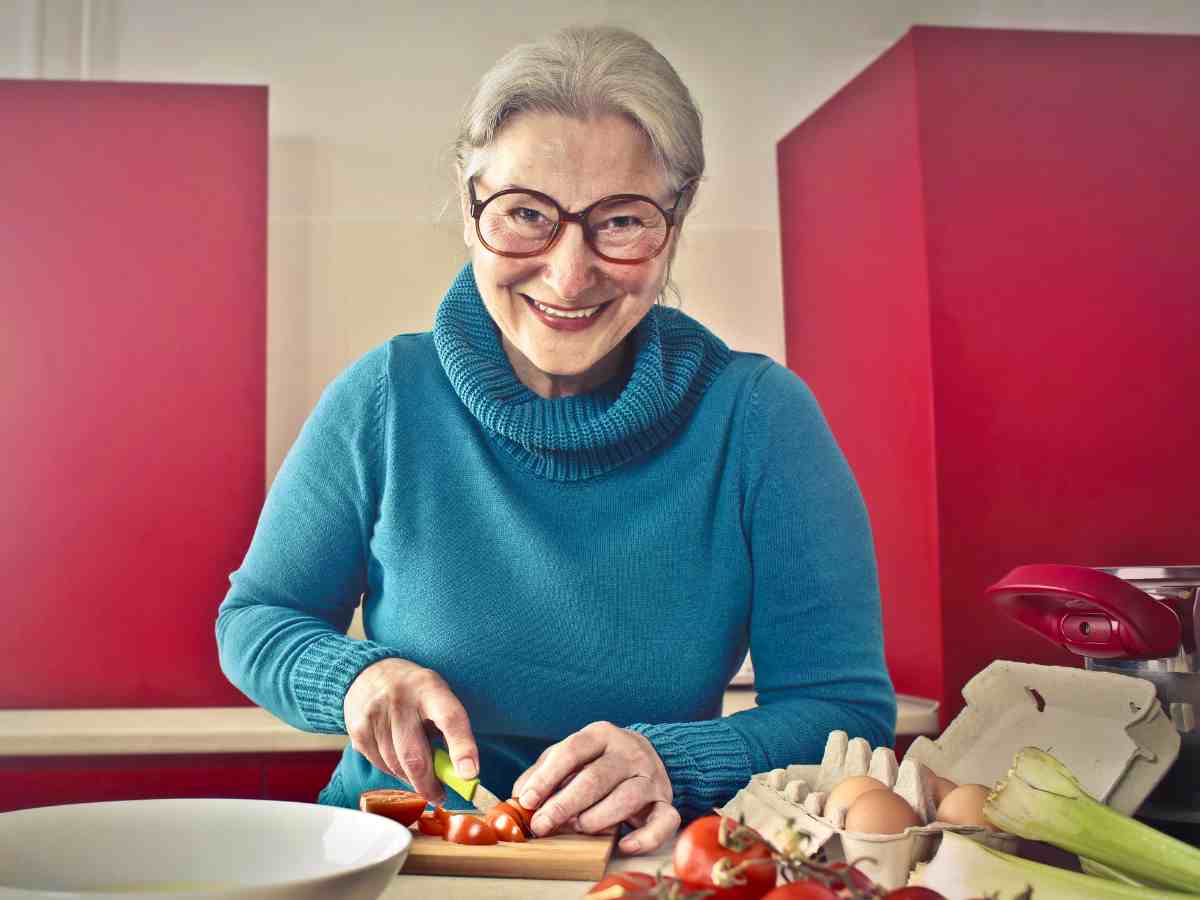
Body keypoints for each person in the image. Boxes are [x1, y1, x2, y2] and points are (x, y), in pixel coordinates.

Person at [216, 24, 895, 856]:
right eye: (526, 214)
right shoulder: (388, 396)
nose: (569, 275)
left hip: (636, 865)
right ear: (471, 209)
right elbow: (257, 619)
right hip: (398, 852)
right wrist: (358, 676)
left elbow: (843, 711)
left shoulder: (758, 420)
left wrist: (671, 761)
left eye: (620, 220)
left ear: (673, 224)